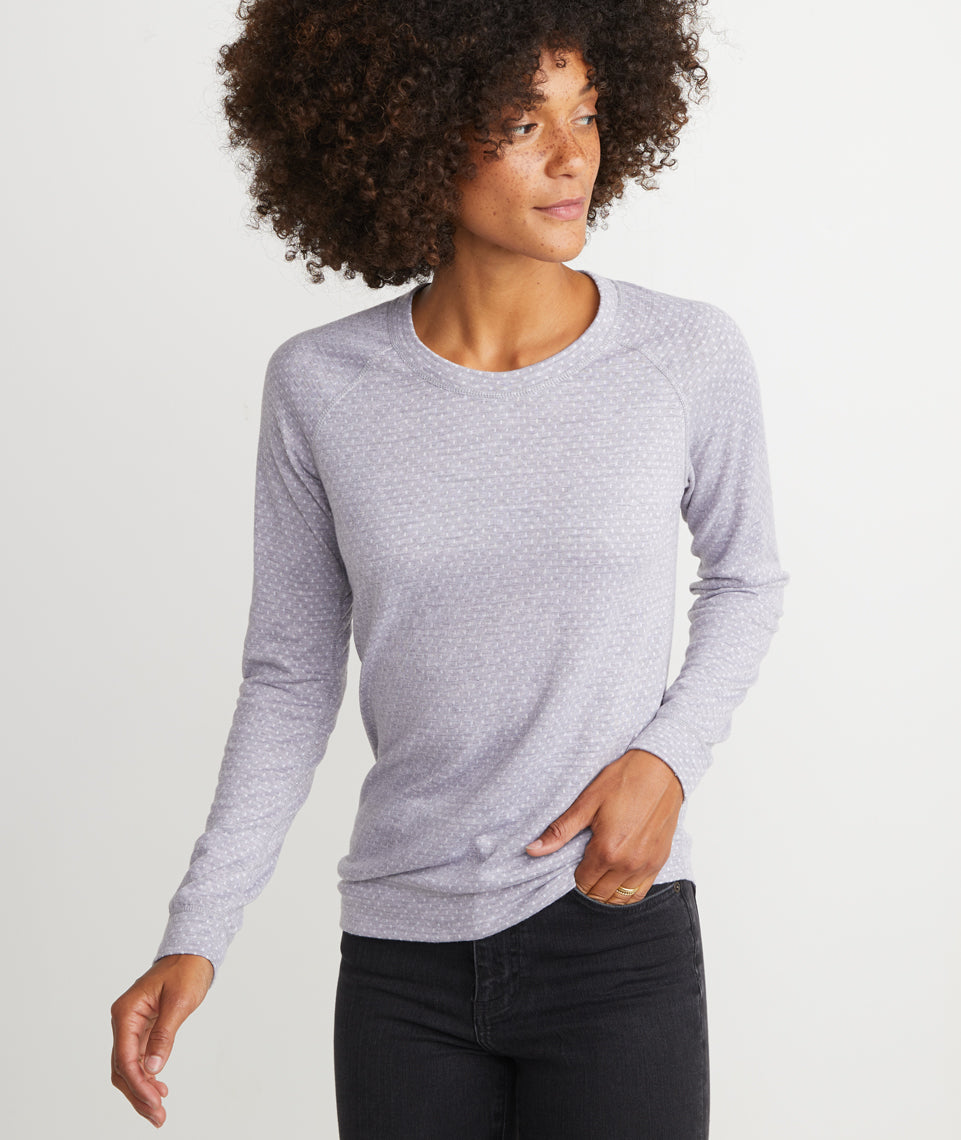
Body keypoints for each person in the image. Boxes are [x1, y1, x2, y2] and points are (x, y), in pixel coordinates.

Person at [110, 1, 789, 1135]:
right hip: (402, 968)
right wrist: (198, 931)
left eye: (586, 113)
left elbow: (746, 578)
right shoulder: (320, 386)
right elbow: (290, 678)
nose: (573, 157)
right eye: (524, 122)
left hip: (612, 936)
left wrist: (665, 759)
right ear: (415, 135)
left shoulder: (683, 354)